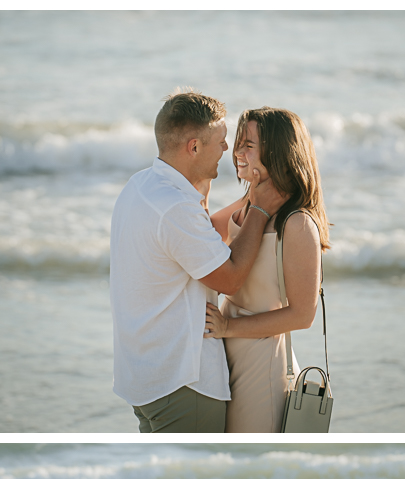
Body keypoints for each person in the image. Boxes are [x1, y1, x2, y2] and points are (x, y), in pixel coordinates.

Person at [110, 90, 288, 434]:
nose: (228, 150)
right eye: (221, 141)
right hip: (182, 382)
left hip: (144, 379)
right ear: (193, 147)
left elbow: (198, 242)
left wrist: (228, 195)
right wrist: (262, 208)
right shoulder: (176, 208)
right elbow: (230, 279)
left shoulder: (140, 186)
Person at [204, 108, 332, 433]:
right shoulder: (250, 203)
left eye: (248, 144)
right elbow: (204, 232)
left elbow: (303, 315)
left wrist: (228, 327)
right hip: (227, 351)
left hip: (261, 364)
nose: (237, 153)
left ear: (277, 151)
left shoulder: (298, 223)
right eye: (237, 143)